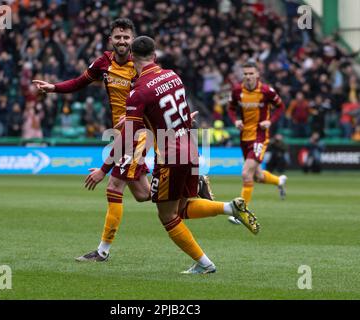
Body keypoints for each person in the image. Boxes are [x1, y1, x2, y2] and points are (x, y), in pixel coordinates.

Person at [32, 18, 214, 262]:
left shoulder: (140, 66)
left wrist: (104, 168)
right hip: (123, 131)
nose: (122, 41)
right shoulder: (103, 63)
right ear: (110, 39)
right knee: (142, 194)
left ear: (132, 40)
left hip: (138, 132)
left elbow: (159, 94)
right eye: (117, 37)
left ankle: (102, 251)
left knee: (113, 185)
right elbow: (80, 82)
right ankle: (189, 187)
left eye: (126, 37)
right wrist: (53, 88)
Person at [85, 36, 260, 274]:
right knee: (179, 206)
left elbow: (129, 136)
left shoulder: (138, 92)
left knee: (167, 216)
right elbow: (179, 114)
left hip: (170, 155)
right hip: (190, 148)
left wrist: (103, 169)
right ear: (155, 56)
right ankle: (230, 207)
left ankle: (205, 264)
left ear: (133, 58)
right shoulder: (173, 76)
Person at [228, 61, 287, 209]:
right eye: (245, 74)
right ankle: (279, 181)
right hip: (244, 136)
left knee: (246, 174)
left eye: (251, 73)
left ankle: (242, 211)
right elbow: (230, 108)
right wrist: (236, 121)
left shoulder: (266, 91)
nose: (248, 76)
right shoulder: (237, 91)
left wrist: (270, 121)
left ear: (257, 74)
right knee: (257, 176)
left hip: (260, 136)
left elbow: (280, 107)